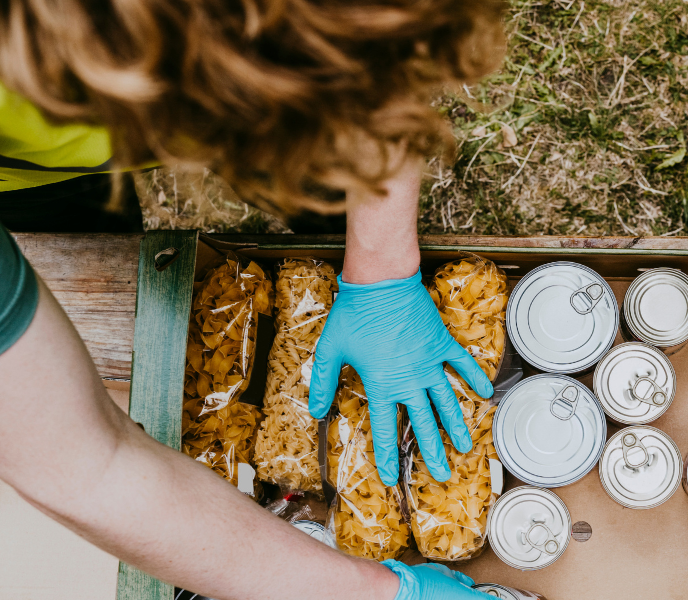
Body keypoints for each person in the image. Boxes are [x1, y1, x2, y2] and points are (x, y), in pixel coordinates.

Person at [0, 0, 507, 598]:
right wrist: (376, 594)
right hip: (25, 167)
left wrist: (382, 268)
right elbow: (87, 466)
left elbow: (374, 62)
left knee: (321, 184)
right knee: (88, 235)